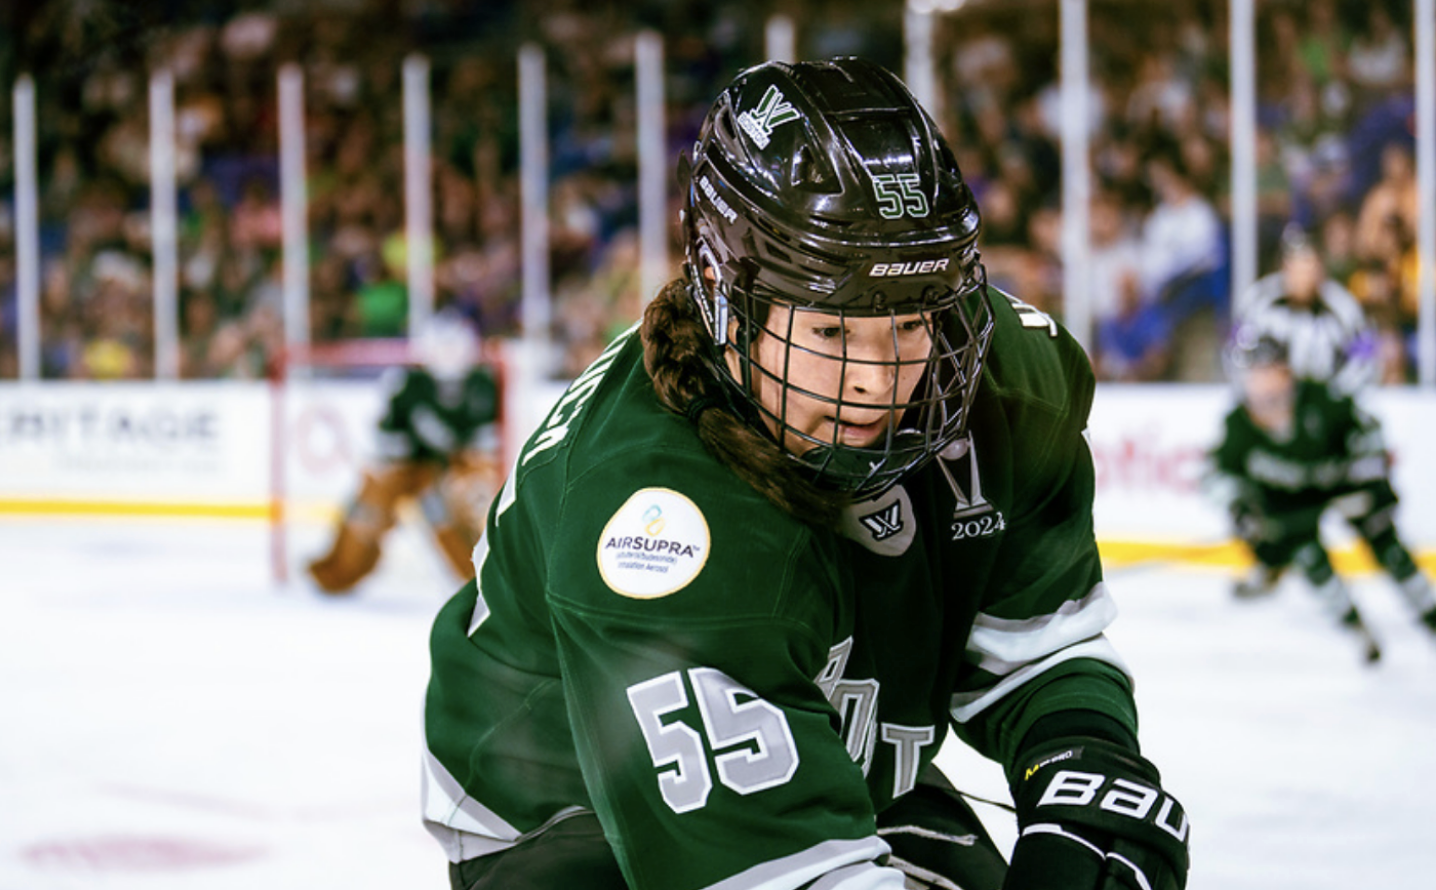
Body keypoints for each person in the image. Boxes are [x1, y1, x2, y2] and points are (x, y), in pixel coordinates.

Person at [422, 58, 1189, 890]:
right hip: (570, 814)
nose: (879, 378)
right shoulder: (653, 519)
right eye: (831, 332)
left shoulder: (1000, 383)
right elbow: (767, 869)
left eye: (911, 320)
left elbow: (1036, 646)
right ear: (725, 299)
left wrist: (1082, 764)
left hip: (833, 754)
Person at [1205, 329, 1436, 662]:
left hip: (1346, 486)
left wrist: (1369, 482)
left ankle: (1430, 615)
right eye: (1252, 375)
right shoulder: (1239, 424)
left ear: (1286, 371)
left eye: (1267, 371)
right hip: (1292, 502)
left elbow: (1369, 436)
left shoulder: (1323, 400)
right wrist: (1241, 511)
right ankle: (1354, 627)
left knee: (1385, 541)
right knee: (1307, 553)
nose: (1260, 384)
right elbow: (1218, 475)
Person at [308, 311, 501, 593]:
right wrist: (394, 468)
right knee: (370, 507)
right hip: (406, 467)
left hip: (452, 469)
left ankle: (484, 578)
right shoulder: (406, 384)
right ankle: (339, 572)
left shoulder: (484, 385)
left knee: (463, 505)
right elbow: (385, 437)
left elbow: (487, 445)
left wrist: (457, 468)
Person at [1233, 223, 1376, 398]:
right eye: (1296, 265)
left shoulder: (1342, 306)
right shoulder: (1260, 302)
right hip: (1271, 404)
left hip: (1326, 404)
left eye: (1309, 265)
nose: (1303, 275)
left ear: (1320, 269)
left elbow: (1364, 356)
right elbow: (1236, 351)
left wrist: (1334, 396)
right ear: (1284, 267)